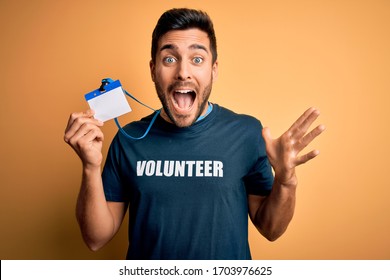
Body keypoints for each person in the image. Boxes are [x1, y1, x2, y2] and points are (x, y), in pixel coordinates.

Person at [64, 8, 324, 260]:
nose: (183, 72)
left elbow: (271, 229)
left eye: (197, 59)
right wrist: (89, 167)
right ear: (153, 69)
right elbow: (95, 239)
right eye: (169, 59)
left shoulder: (247, 133)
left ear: (214, 69)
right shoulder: (128, 140)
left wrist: (286, 181)